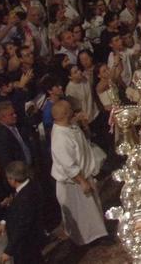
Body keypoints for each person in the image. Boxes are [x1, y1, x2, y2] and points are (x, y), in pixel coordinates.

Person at [49, 99, 108, 245]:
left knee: (93, 210)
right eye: (70, 110)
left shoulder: (69, 125)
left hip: (85, 177)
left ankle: (98, 235)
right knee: (83, 215)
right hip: (74, 184)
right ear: (64, 114)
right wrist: (82, 181)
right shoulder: (60, 138)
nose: (73, 111)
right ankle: (90, 239)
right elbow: (68, 165)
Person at [3, 161, 46, 264]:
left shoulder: (24, 197)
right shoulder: (31, 185)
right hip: (33, 238)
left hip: (26, 243)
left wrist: (8, 250)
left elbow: (22, 226)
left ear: (13, 180)